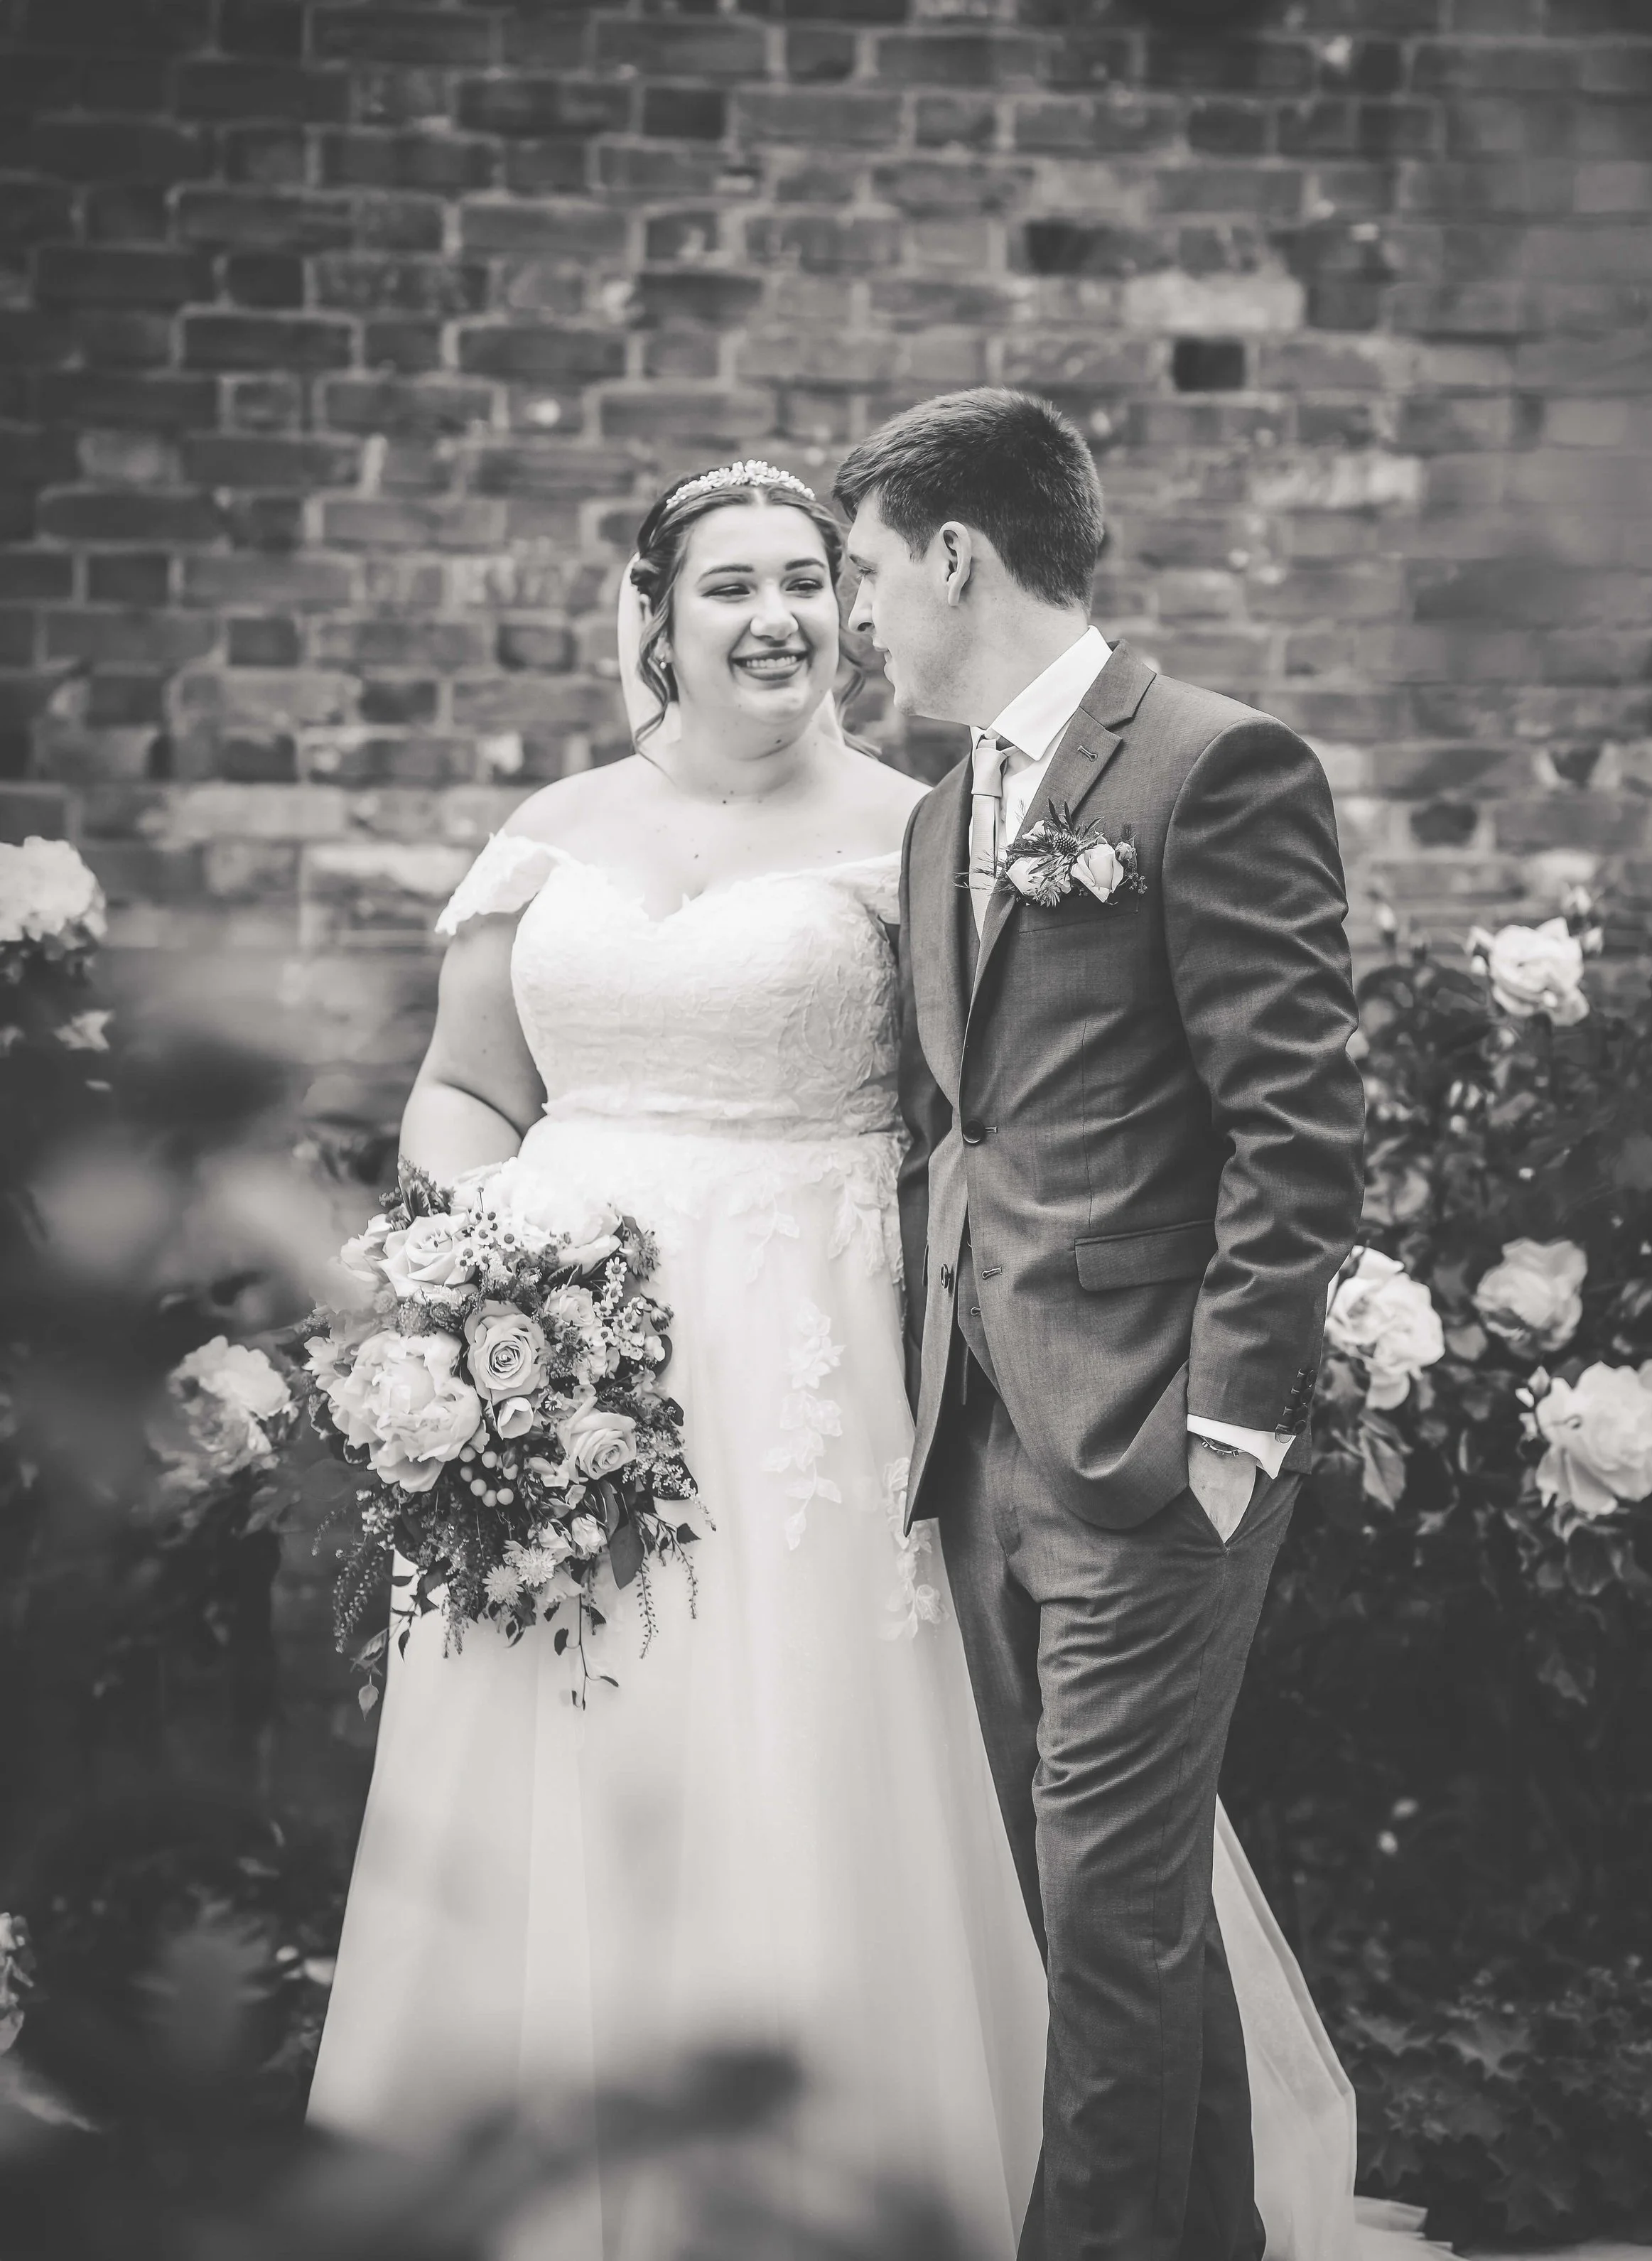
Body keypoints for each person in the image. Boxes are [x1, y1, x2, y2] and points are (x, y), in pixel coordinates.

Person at [306, 453, 1422, 2261]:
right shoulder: (549, 830)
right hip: (559, 1366)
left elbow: (1007, 1116)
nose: (780, 616)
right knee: (564, 1759)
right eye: (730, 585)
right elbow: (458, 1090)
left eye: (812, 579)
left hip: (825, 1366)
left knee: (837, 1760)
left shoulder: (921, 831)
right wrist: (491, 1275)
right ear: (651, 622)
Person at [834, 388, 1369, 2261]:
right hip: (979, 1448)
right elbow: (953, 1128)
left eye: (867, 576)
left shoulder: (1211, 766)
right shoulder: (937, 822)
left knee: (1107, 1931)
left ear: (953, 555)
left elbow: (1297, 1122)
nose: (859, 625)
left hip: (1148, 1454)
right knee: (1111, 1923)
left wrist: (1223, 1436)